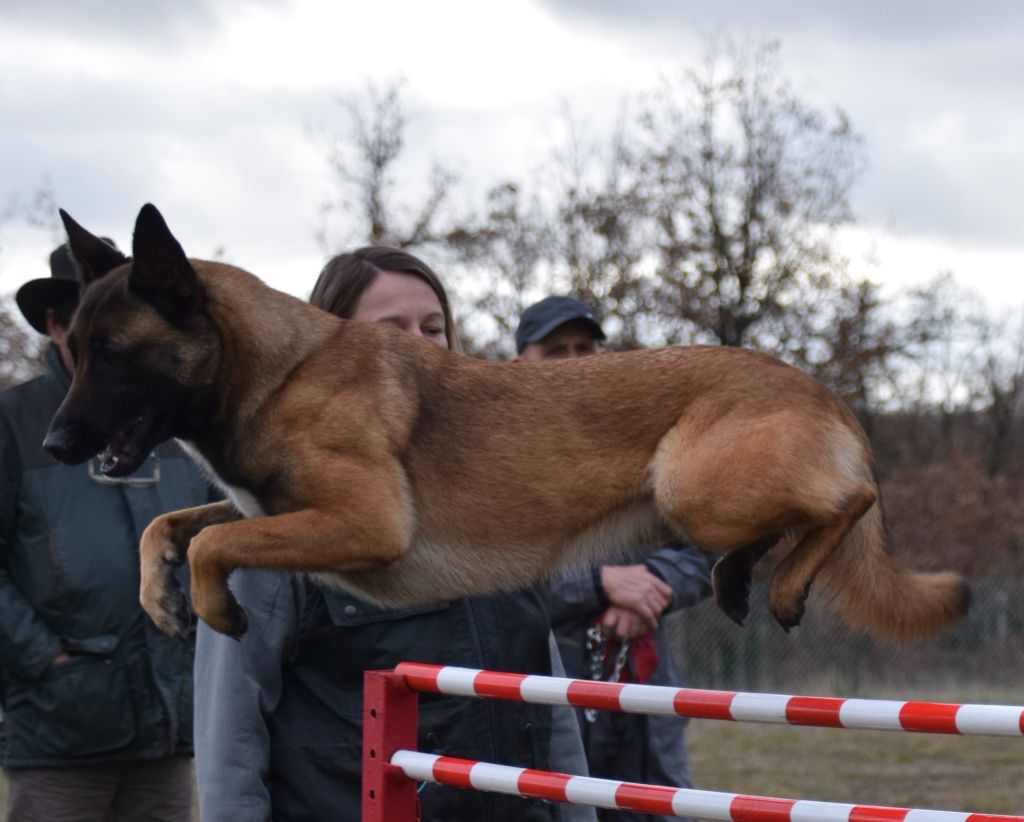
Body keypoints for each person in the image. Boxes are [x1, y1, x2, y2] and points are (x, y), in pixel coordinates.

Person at [194, 248, 595, 822]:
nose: (419, 345)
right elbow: (229, 736)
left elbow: (549, 704)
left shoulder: (507, 497)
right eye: (391, 330)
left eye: (433, 328)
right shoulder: (271, 524)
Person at [0, 243, 213, 821]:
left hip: (174, 725)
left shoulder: (174, 423)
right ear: (54, 322)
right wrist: (48, 663)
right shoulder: (12, 423)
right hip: (61, 736)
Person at [515, 295, 716, 822]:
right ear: (520, 367)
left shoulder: (655, 448)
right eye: (556, 350)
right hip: (547, 699)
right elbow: (496, 583)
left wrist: (650, 582)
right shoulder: (502, 464)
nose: (576, 361)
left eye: (586, 347)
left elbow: (704, 552)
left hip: (647, 700)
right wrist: (601, 583)